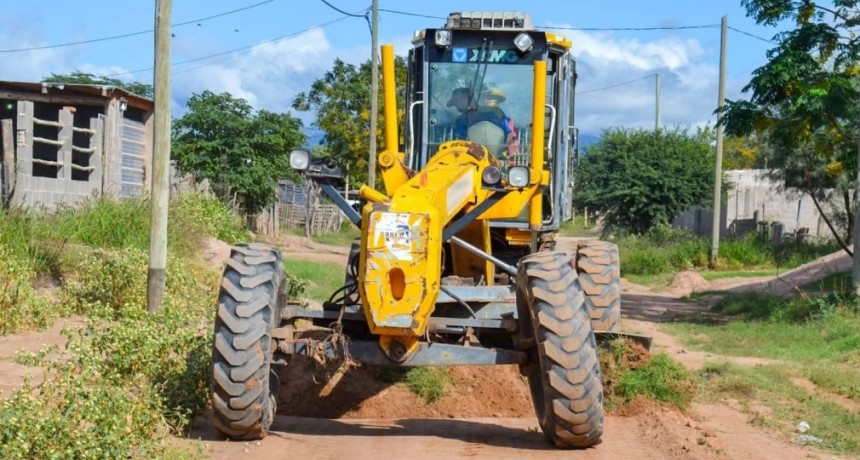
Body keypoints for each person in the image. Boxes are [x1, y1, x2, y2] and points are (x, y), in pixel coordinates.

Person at [447, 87, 517, 156]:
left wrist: (502, 149)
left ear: (464, 101)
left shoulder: (492, 113)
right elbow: (509, 134)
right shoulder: (493, 113)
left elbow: (509, 134)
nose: (456, 107)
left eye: (456, 103)